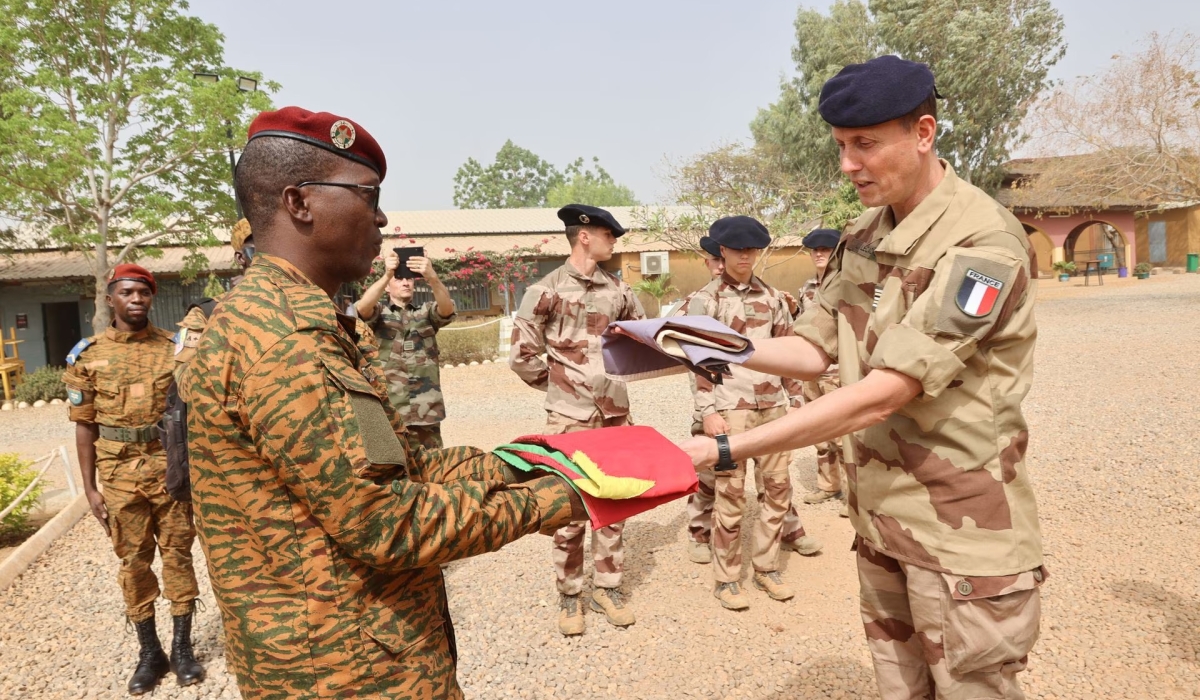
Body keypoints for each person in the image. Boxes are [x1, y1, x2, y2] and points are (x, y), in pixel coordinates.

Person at [181, 106, 585, 700]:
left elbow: (397, 466)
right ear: (300, 203)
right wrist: (558, 497)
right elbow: (388, 526)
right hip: (342, 670)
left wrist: (523, 461)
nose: (382, 217)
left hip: (356, 651)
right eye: (368, 196)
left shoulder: (296, 320)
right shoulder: (286, 341)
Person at [681, 55, 1044, 700]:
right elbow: (812, 349)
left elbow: (883, 394)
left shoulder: (982, 245)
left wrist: (726, 449)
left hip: (959, 534)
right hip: (882, 521)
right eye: (842, 146)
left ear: (924, 133)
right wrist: (699, 343)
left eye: (866, 144)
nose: (848, 163)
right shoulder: (866, 234)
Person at [62, 264, 205, 695]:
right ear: (111, 300)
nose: (136, 300)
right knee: (133, 562)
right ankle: (150, 653)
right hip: (119, 472)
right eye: (127, 293)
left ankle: (182, 649)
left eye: (143, 293)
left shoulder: (174, 349)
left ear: (151, 299)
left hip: (170, 468)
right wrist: (90, 488)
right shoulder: (86, 355)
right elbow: (83, 425)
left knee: (178, 554)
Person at [509, 203, 645, 636]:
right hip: (569, 419)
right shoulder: (545, 290)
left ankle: (607, 587)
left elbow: (642, 339)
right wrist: (559, 389)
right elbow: (521, 356)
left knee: (614, 501)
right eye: (609, 234)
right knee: (568, 509)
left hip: (615, 415)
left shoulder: (619, 291)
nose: (614, 241)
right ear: (584, 235)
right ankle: (569, 595)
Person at [686, 216, 820, 610]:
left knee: (777, 491)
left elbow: (790, 354)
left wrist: (795, 401)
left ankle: (765, 567)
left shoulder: (775, 299)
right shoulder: (704, 301)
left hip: (774, 408)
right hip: (731, 409)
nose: (745, 257)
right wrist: (707, 411)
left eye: (752, 250)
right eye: (737, 250)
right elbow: (698, 361)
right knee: (730, 496)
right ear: (722, 252)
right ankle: (727, 579)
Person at [352, 247, 456, 449]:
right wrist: (387, 274)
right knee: (396, 469)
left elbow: (446, 309)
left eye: (409, 279)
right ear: (388, 288)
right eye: (399, 279)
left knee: (433, 468)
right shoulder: (379, 314)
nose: (406, 282)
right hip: (391, 410)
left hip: (426, 410)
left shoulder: (426, 313)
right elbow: (362, 309)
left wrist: (432, 277)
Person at [796, 228, 846, 509]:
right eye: (815, 250)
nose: (818, 254)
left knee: (843, 435)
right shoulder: (807, 288)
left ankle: (854, 496)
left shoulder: (848, 286)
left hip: (837, 371)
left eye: (825, 250)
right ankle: (829, 486)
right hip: (811, 373)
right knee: (819, 434)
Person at [173, 217, 255, 381]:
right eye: (258, 251)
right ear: (240, 258)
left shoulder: (302, 302)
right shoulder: (205, 313)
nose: (269, 258)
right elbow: (185, 379)